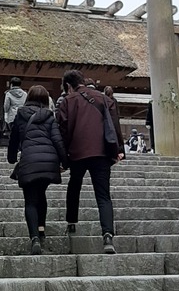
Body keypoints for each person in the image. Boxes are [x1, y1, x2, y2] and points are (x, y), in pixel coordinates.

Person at [56, 69, 125, 254]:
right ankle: (107, 235)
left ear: (68, 86)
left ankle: (71, 221)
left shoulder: (68, 101)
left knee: (74, 185)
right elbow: (114, 125)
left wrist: (62, 158)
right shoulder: (105, 99)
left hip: (77, 152)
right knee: (103, 195)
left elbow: (63, 131)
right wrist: (119, 150)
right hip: (102, 152)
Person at [7, 85, 68, 255]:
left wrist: (11, 157)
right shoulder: (49, 116)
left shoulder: (20, 114)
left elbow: (14, 139)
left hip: (29, 161)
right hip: (48, 161)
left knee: (30, 200)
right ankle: (41, 229)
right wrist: (65, 162)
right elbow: (57, 140)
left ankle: (34, 237)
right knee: (41, 194)